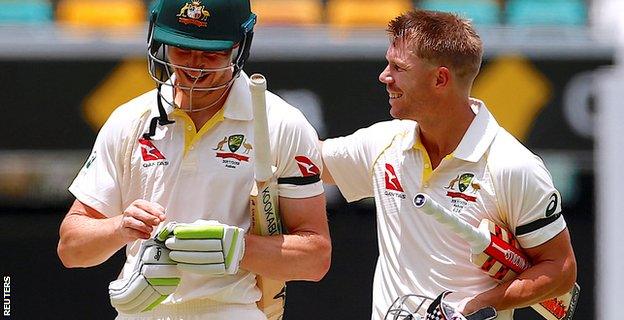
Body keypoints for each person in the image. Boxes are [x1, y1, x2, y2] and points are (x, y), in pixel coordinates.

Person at [57, 0, 331, 319]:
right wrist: (121, 228)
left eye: (211, 52)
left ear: (238, 46)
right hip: (141, 309)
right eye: (182, 49)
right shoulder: (129, 119)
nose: (195, 65)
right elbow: (71, 248)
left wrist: (236, 248)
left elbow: (315, 258)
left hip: (231, 309)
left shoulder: (281, 124)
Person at [321, 9, 577, 320]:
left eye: (398, 67)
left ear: (440, 79)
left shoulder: (513, 166)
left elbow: (560, 269)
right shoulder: (385, 143)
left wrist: (475, 307)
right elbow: (306, 161)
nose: (384, 76)